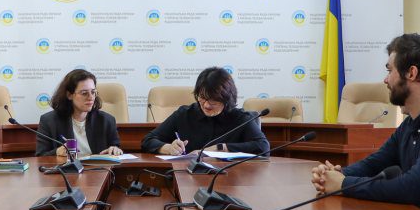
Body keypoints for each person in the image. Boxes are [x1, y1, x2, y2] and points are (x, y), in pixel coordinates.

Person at [311, 33, 420, 207]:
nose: (385, 80)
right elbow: (375, 163)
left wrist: (343, 184)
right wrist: (335, 174)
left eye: (390, 71)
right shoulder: (410, 123)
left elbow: (411, 188)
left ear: (412, 73)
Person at [141, 67, 270, 155]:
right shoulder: (184, 115)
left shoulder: (240, 118)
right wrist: (169, 148)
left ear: (226, 99)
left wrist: (220, 148)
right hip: (187, 177)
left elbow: (263, 147)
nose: (206, 105)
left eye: (213, 100)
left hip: (230, 179)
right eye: (202, 98)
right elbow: (148, 140)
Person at [36, 69, 122, 157]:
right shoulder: (49, 121)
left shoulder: (107, 120)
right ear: (69, 95)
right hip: (67, 166)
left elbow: (116, 148)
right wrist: (57, 152)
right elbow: (40, 156)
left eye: (93, 92)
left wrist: (115, 150)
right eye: (84, 93)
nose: (91, 97)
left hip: (98, 166)